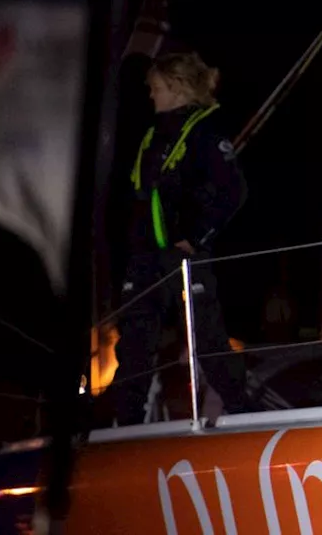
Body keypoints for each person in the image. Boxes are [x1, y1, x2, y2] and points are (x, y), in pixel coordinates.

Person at [110, 49, 250, 425]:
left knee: (207, 340)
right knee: (134, 344)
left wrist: (194, 234)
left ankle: (243, 414)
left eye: (156, 87)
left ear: (177, 87)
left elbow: (233, 191)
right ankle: (123, 426)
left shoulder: (206, 132)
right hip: (144, 257)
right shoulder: (153, 133)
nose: (151, 94)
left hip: (183, 256)